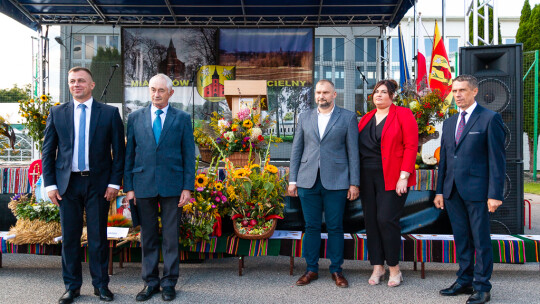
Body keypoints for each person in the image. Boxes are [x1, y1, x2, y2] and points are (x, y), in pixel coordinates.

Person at [42, 67, 125, 304]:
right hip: (67, 185)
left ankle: (101, 286)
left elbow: (119, 152)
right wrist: (50, 185)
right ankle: (72, 287)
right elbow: (48, 152)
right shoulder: (57, 113)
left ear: (92, 85)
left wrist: (113, 183)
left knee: (98, 238)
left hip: (99, 184)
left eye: (81, 81)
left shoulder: (109, 113)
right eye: (72, 81)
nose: (76, 85)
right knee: (70, 238)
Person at [124, 73, 195, 302]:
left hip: (173, 186)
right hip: (142, 184)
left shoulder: (182, 118)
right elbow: (129, 155)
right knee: (148, 237)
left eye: (161, 90)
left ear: (171, 93)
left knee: (171, 237)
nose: (156, 94)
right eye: (153, 89)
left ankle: (169, 282)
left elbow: (188, 155)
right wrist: (129, 187)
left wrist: (187, 187)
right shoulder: (135, 117)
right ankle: (150, 282)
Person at [434, 75, 505, 304]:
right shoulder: (449, 122)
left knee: (480, 240)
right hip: (452, 191)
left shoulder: (489, 119)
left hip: (478, 191)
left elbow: (497, 160)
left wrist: (495, 194)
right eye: (454, 91)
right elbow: (444, 159)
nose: (457, 95)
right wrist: (439, 191)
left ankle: (483, 286)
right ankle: (464, 280)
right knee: (462, 238)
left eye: (462, 90)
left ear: (474, 92)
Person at [288, 79, 360, 288]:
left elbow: (353, 153)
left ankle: (337, 270)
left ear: (334, 94)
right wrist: (293, 180)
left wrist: (354, 183)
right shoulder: (304, 117)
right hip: (307, 181)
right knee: (311, 227)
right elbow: (296, 150)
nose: (321, 96)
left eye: (326, 92)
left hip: (337, 181)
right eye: (319, 92)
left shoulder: (347, 117)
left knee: (335, 227)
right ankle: (311, 269)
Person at [357, 79, 418, 287]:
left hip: (393, 178)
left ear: (392, 96)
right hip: (366, 178)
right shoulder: (365, 119)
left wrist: (404, 176)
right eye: (376, 92)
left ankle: (394, 268)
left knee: (386, 220)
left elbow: (411, 146)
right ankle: (377, 266)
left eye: (384, 92)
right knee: (371, 222)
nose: (379, 95)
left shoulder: (403, 114)